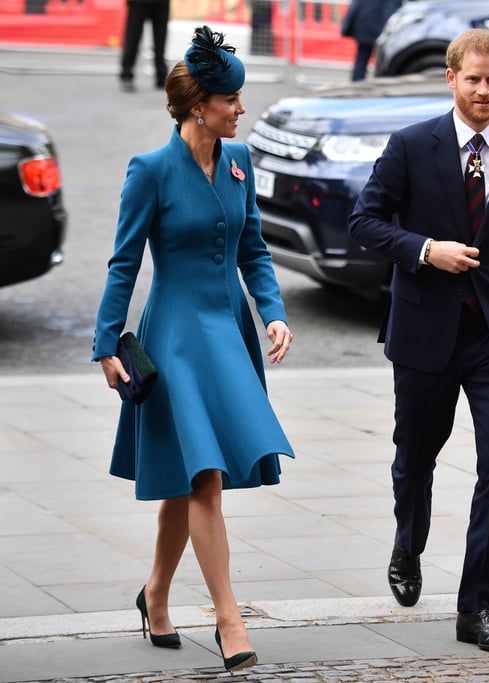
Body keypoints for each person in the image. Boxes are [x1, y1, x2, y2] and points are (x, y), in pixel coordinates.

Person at [93, 26, 295, 673]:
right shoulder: (150, 171)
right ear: (201, 104)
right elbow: (123, 263)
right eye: (232, 99)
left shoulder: (240, 165)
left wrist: (273, 311)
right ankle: (228, 617)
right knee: (204, 472)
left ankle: (154, 594)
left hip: (227, 332)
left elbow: (254, 251)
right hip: (175, 335)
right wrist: (106, 345)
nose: (241, 110)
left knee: (190, 480)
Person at [348, 29, 489, 653]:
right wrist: (423, 250)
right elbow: (364, 221)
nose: (484, 91)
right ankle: (407, 543)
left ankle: (477, 607)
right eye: (473, 79)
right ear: (451, 79)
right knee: (416, 456)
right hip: (424, 329)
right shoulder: (413, 146)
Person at [341, 0, 402, 81]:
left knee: (361, 59)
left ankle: (357, 85)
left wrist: (348, 25)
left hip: (364, 24)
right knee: (383, 62)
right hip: (384, 28)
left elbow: (355, 5)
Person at [119, 0, 170, 92]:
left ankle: (161, 76)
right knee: (133, 38)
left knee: (160, 41)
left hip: (161, 3)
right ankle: (127, 74)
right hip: (138, 3)